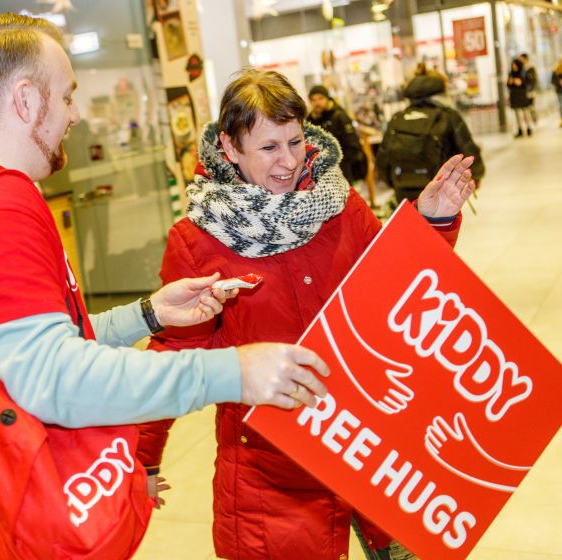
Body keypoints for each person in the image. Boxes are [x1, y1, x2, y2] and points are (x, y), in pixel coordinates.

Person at [0, 14, 333, 559]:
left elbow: (14, 349)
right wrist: (232, 371)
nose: (75, 115)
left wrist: (147, 315)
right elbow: (53, 377)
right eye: (65, 97)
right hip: (10, 515)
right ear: (24, 100)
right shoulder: (1, 207)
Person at [137, 68, 476, 560]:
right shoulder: (198, 241)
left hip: (375, 451)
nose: (290, 161)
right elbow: (172, 354)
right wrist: (143, 459)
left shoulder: (339, 203)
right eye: (269, 147)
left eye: (295, 141)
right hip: (273, 477)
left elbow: (394, 284)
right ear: (230, 149)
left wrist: (432, 218)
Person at [377, 72, 485, 204]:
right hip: (438, 188)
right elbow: (467, 148)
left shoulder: (397, 118)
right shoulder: (447, 116)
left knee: (410, 223)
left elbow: (383, 158)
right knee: (438, 224)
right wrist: (477, 175)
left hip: (403, 189)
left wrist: (394, 182)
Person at [306, 84, 368, 185]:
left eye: (320, 98)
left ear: (327, 98)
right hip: (321, 174)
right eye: (313, 100)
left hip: (343, 170)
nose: (317, 103)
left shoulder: (339, 116)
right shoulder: (310, 120)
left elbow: (353, 146)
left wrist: (336, 163)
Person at [507, 57, 533, 137]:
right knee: (517, 113)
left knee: (526, 112)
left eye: (515, 65)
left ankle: (529, 128)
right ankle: (520, 129)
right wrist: (510, 82)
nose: (514, 66)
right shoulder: (511, 73)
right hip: (514, 95)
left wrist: (521, 82)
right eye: (512, 65)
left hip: (522, 95)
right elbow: (508, 84)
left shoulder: (523, 72)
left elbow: (529, 82)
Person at [519, 52, 539, 125]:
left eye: (521, 59)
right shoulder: (522, 68)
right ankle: (530, 121)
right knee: (527, 106)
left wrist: (532, 89)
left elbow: (533, 80)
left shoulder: (530, 67)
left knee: (531, 105)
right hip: (524, 90)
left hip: (531, 90)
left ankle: (534, 119)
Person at [552, 57, 562, 128]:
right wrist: (559, 82)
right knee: (561, 105)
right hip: (559, 91)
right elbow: (552, 81)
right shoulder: (555, 70)